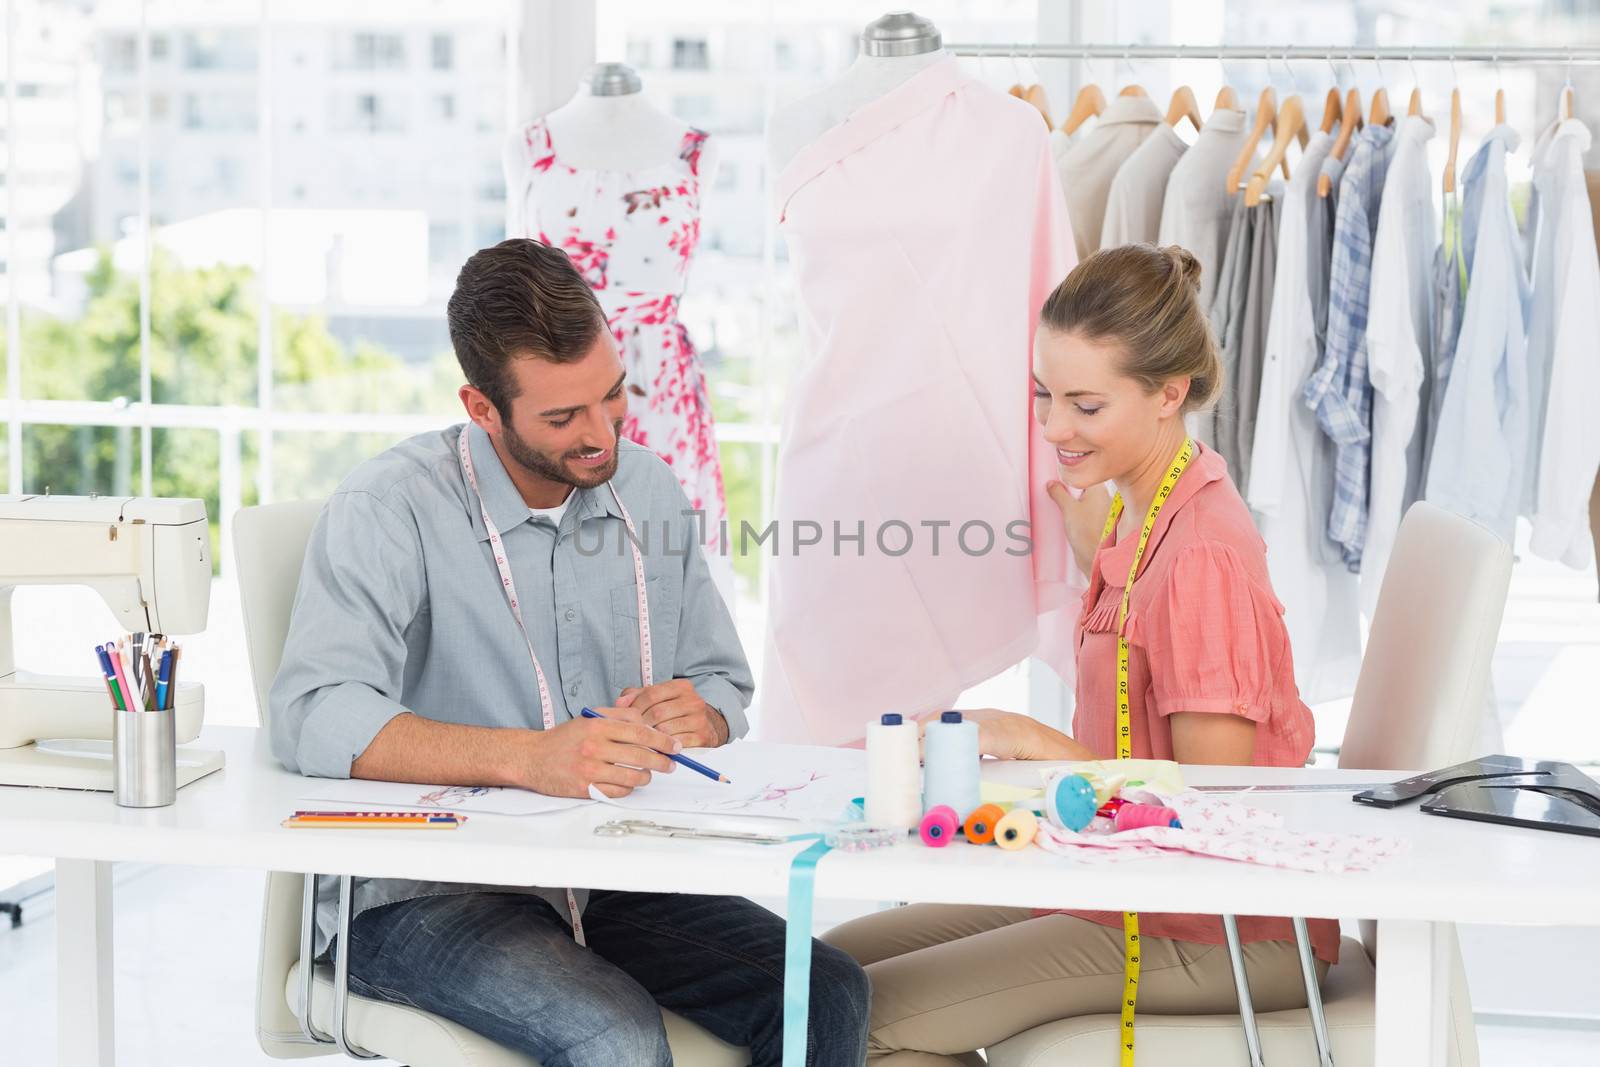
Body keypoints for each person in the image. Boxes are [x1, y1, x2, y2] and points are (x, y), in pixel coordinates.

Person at [270, 238, 869, 1067]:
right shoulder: (389, 506)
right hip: (431, 891)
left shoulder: (648, 490)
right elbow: (312, 713)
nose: (600, 435)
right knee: (612, 1035)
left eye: (611, 396)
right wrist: (530, 759)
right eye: (562, 417)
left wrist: (705, 711)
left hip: (606, 868)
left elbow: (722, 679)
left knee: (825, 992)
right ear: (482, 408)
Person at [822, 244, 1331, 1065]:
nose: (1055, 427)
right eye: (1042, 395)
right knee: (833, 963)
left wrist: (1037, 741)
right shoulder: (1143, 511)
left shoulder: (1200, 555)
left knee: (860, 1021)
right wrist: (1102, 548)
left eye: (1086, 406)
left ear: (1170, 394)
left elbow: (1211, 808)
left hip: (1213, 928)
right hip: (1120, 888)